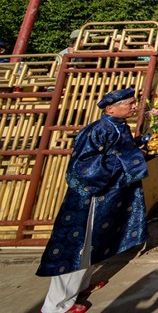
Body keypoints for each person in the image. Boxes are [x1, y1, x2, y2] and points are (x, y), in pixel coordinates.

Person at [37, 88, 149, 313]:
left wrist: (143, 147)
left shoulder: (119, 127)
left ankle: (79, 287)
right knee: (75, 249)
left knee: (92, 244)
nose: (134, 107)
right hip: (89, 200)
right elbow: (84, 169)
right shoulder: (98, 130)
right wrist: (135, 158)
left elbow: (122, 153)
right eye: (129, 103)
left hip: (107, 198)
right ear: (110, 108)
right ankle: (56, 306)